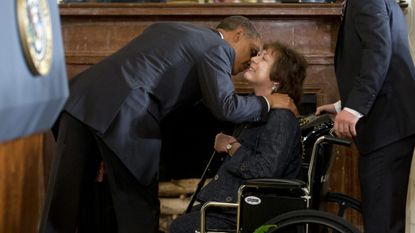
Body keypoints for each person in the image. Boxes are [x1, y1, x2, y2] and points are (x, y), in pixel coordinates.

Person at [40, 16, 299, 233]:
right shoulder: (217, 47)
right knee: (139, 209)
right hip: (124, 118)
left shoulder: (169, 29)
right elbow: (225, 107)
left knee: (66, 204)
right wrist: (269, 102)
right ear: (237, 35)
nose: (248, 62)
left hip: (81, 101)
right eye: (253, 51)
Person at [169, 41, 307, 233]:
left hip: (248, 209)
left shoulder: (281, 117)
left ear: (278, 79)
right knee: (184, 222)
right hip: (232, 204)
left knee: (180, 228)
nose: (253, 59)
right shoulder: (257, 110)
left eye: (263, 57)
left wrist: (229, 147)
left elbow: (266, 171)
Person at [315, 0, 415, 232]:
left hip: (387, 125)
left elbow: (378, 52)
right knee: (386, 219)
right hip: (392, 121)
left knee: (382, 222)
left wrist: (354, 108)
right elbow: (376, 60)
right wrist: (343, 105)